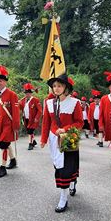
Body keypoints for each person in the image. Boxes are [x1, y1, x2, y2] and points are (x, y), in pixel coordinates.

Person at [40, 73, 83, 213]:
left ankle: (63, 198)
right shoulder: (48, 103)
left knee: (65, 169)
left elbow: (79, 122)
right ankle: (71, 181)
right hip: (54, 140)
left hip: (68, 139)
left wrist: (65, 129)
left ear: (66, 87)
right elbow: (46, 122)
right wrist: (43, 139)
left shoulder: (75, 103)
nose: (56, 88)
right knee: (58, 166)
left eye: (59, 85)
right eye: (54, 86)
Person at [19, 83, 42, 150]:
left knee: (30, 131)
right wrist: (17, 103)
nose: (27, 94)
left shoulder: (35, 100)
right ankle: (33, 141)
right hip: (26, 118)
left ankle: (30, 144)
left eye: (28, 93)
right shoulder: (23, 100)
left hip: (33, 119)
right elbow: (20, 108)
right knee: (29, 131)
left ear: (31, 93)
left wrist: (37, 118)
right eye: (26, 93)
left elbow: (40, 110)